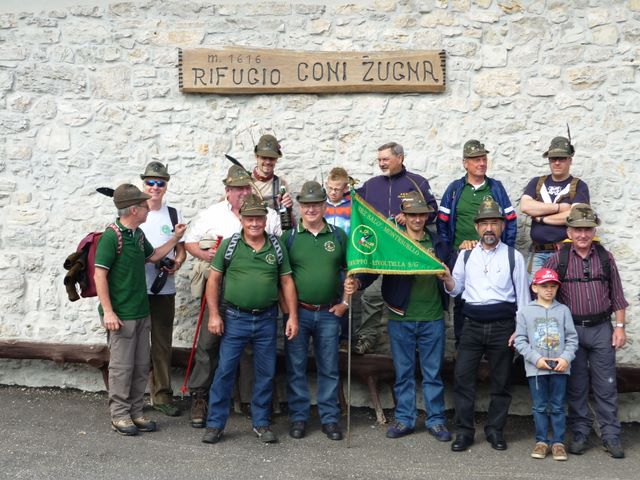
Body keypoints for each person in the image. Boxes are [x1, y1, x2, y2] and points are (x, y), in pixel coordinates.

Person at [347, 191, 451, 442]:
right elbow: (375, 265)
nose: (417, 219)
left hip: (432, 317)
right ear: (404, 215)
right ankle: (405, 419)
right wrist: (358, 282)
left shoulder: (439, 244)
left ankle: (436, 420)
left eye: (421, 214)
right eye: (412, 215)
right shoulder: (394, 242)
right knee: (403, 373)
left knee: (433, 373)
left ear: (427, 216)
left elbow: (453, 279)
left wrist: (447, 277)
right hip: (400, 317)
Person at [183, 165, 281, 428]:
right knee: (209, 341)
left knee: (250, 346)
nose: (243, 192)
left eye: (246, 187)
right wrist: (207, 256)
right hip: (220, 281)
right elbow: (190, 242)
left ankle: (248, 399)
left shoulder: (268, 215)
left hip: (253, 282)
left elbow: (277, 248)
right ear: (227, 191)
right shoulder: (212, 213)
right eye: (237, 188)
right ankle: (200, 396)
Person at [201, 194, 298, 445]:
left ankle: (261, 423)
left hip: (267, 319)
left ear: (265, 220)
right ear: (242, 220)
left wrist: (292, 317)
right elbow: (214, 280)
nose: (254, 223)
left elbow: (286, 282)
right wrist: (214, 314)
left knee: (265, 373)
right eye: (249, 218)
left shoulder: (276, 246)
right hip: (235, 318)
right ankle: (215, 424)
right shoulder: (230, 245)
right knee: (225, 371)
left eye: (258, 218)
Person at [94, 184, 186, 435]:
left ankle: (135, 412)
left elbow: (154, 256)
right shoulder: (111, 237)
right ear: (134, 210)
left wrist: (175, 239)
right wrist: (108, 312)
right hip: (122, 316)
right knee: (122, 368)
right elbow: (99, 275)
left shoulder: (138, 234)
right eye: (145, 206)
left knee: (140, 366)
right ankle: (120, 415)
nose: (149, 209)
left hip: (141, 312)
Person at [440, 198, 529, 452]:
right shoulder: (466, 255)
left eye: (494, 223)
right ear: (477, 227)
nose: (489, 228)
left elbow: (523, 298)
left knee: (501, 382)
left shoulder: (514, 257)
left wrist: (520, 330)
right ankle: (464, 432)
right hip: (472, 326)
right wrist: (447, 278)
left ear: (502, 226)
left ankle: (495, 430)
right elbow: (456, 290)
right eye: (484, 223)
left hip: (503, 327)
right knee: (463, 379)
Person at [544, 203, 628, 459]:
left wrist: (620, 327)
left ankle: (610, 434)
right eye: (578, 229)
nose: (582, 234)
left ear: (594, 231)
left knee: (606, 385)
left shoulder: (605, 257)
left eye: (587, 229)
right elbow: (542, 295)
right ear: (569, 231)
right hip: (571, 332)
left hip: (602, 329)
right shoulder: (557, 258)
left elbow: (617, 295)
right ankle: (580, 431)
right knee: (577, 385)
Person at [353, 142, 438, 355]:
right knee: (371, 296)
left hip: (406, 252)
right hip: (378, 252)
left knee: (408, 296)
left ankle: (414, 342)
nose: (381, 163)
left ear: (400, 158)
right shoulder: (371, 185)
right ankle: (367, 338)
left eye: (386, 159)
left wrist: (410, 215)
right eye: (379, 159)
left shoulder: (417, 182)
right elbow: (355, 208)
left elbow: (433, 211)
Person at [282, 181, 349, 441]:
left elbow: (350, 271)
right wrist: (287, 312)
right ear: (300, 207)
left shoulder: (338, 236)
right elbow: (281, 278)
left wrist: (345, 302)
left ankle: (329, 418)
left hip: (329, 313)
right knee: (296, 366)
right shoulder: (289, 238)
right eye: (306, 205)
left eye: (316, 204)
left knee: (329, 367)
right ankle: (298, 417)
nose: (311, 209)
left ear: (324, 206)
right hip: (298, 313)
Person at [437, 139, 517, 344]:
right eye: (476, 160)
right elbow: (442, 222)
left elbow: (510, 220)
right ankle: (462, 346)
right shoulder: (455, 189)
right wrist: (451, 251)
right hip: (461, 255)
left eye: (483, 159)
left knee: (493, 296)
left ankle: (496, 347)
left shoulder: (496, 187)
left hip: (492, 253)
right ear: (465, 163)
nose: (481, 163)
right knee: (461, 301)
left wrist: (505, 250)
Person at [513, 268, 578, 461]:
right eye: (544, 286)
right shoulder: (525, 312)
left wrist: (565, 358)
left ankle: (558, 443)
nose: (549, 290)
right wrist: (536, 359)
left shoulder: (563, 311)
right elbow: (520, 340)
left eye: (553, 286)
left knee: (558, 406)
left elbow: (572, 338)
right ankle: (541, 441)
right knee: (539, 406)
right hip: (536, 369)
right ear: (535, 287)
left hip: (560, 367)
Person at [138, 161, 186, 418]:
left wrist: (177, 263)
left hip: (164, 289)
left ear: (166, 186)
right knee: (135, 344)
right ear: (143, 184)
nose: (155, 187)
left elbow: (181, 251)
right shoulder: (135, 212)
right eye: (150, 182)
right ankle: (135, 397)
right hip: (137, 289)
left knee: (161, 344)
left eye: (160, 183)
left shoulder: (174, 214)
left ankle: (162, 396)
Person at [520, 136, 590, 277]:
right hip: (537, 253)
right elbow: (525, 206)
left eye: (562, 158)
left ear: (570, 160)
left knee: (567, 289)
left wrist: (541, 218)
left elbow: (575, 217)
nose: (557, 163)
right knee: (534, 289)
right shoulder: (537, 182)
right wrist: (559, 208)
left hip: (566, 252)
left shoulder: (579, 186)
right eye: (553, 159)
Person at [250, 133, 294, 212]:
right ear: (256, 156)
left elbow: (286, 214)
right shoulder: (246, 183)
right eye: (264, 157)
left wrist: (288, 208)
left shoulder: (281, 184)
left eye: (272, 158)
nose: (268, 162)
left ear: (276, 159)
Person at [324, 167, 352, 236]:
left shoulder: (352, 205)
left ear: (346, 188)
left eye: (337, 189)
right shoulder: (322, 204)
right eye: (330, 188)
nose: (333, 192)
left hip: (345, 241)